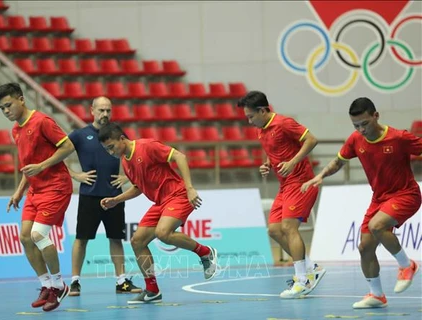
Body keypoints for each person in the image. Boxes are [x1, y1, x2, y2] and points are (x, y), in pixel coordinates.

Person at [302, 97, 421, 309]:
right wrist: (321, 175)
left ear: (376, 116)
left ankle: (407, 265)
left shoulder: (399, 137)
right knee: (365, 248)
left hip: (406, 194)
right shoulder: (356, 139)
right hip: (379, 199)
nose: (361, 129)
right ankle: (377, 295)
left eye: (365, 124)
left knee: (377, 226)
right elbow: (340, 161)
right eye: (356, 125)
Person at [97, 122, 218, 304]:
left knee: (163, 233)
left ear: (122, 138)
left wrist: (190, 188)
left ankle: (205, 252)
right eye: (107, 149)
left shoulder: (146, 146)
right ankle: (152, 290)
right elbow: (138, 187)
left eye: (111, 147)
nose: (111, 152)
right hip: (160, 202)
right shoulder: (125, 161)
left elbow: (180, 156)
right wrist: (116, 200)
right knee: (137, 241)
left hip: (178, 195)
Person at [237, 91, 326, 299]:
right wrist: (268, 164)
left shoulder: (284, 123)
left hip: (302, 182)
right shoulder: (261, 130)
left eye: (251, 116)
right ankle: (312, 267)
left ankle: (302, 280)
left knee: (288, 227)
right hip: (285, 186)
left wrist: (293, 162)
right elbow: (274, 150)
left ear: (263, 110)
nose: (249, 121)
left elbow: (312, 140)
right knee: (274, 230)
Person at [0, 83, 73, 312]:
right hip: (35, 190)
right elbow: (27, 167)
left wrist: (43, 166)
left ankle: (59, 285)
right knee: (25, 237)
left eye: (8, 105)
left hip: (56, 186)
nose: (6, 110)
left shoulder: (42, 122)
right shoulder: (16, 131)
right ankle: (46, 285)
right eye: (2, 108)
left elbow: (68, 147)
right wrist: (19, 191)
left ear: (21, 99)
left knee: (38, 235)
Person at [66, 96, 141, 295]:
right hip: (89, 196)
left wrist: (127, 176)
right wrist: (75, 175)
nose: (105, 114)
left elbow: (134, 154)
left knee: (116, 238)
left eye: (108, 110)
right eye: (101, 110)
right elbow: (55, 156)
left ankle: (121, 282)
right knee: (81, 239)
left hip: (115, 196)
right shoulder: (80, 135)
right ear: (92, 110)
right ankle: (74, 282)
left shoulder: (118, 133)